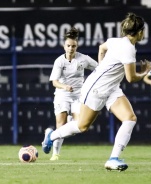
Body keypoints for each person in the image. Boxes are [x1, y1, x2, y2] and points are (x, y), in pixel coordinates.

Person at [42, 12, 151, 171]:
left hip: (111, 87)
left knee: (129, 118)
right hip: (96, 88)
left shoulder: (115, 41)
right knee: (82, 126)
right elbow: (130, 78)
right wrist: (144, 72)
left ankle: (113, 159)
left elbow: (102, 48)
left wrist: (102, 67)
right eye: (144, 30)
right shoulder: (129, 48)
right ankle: (51, 136)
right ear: (140, 32)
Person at [48, 27, 98, 161]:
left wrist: (90, 82)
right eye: (68, 45)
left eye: (73, 46)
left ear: (77, 46)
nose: (71, 48)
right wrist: (64, 86)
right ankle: (55, 154)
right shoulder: (59, 61)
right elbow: (54, 82)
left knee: (81, 125)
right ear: (64, 46)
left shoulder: (84, 59)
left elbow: (99, 69)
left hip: (78, 96)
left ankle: (51, 134)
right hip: (62, 94)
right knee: (61, 124)